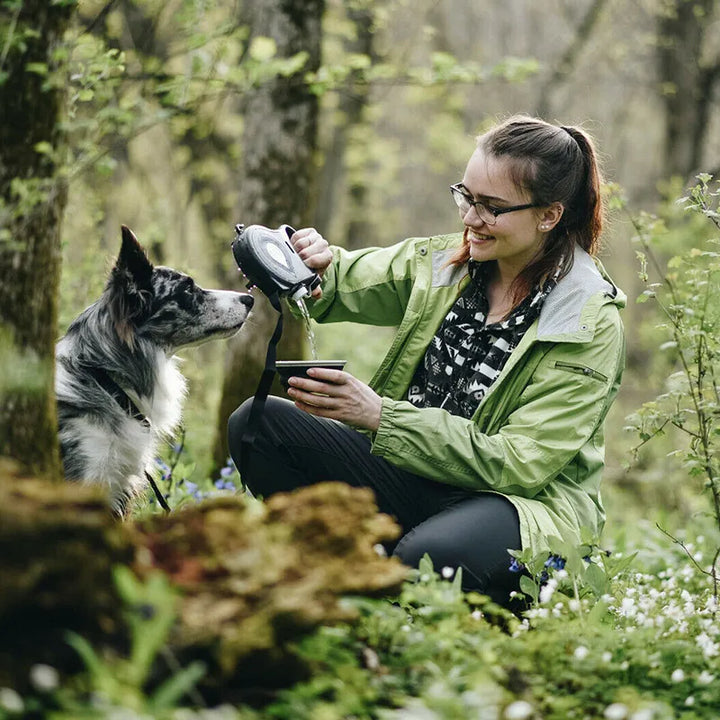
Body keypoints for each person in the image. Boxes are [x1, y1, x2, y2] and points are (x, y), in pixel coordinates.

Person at [227, 114, 626, 610]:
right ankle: (343, 583)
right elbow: (352, 279)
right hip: (415, 473)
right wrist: (307, 264)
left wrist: (379, 416)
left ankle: (431, 599)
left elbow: (521, 463)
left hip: (521, 507)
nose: (470, 218)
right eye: (467, 196)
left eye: (492, 207)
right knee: (257, 424)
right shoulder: (452, 261)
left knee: (430, 556)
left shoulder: (587, 320)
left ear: (549, 215)